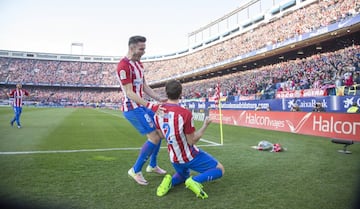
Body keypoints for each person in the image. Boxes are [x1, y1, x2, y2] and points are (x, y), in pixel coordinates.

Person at [154, 80, 224, 199]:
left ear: (166, 93)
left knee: (183, 175)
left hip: (174, 157)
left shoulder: (157, 111)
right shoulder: (184, 114)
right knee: (219, 169)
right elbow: (192, 141)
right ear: (181, 93)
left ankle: (170, 182)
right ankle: (195, 181)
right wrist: (205, 126)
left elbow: (160, 135)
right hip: (188, 156)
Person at [116, 35, 167, 186]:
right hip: (132, 108)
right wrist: (150, 105)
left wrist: (158, 98)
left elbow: (144, 86)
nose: (144, 51)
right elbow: (130, 92)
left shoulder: (139, 64)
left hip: (142, 106)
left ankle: (152, 165)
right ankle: (135, 170)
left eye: (144, 48)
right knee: (154, 137)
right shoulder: (123, 66)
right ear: (132, 48)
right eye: (141, 49)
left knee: (160, 133)